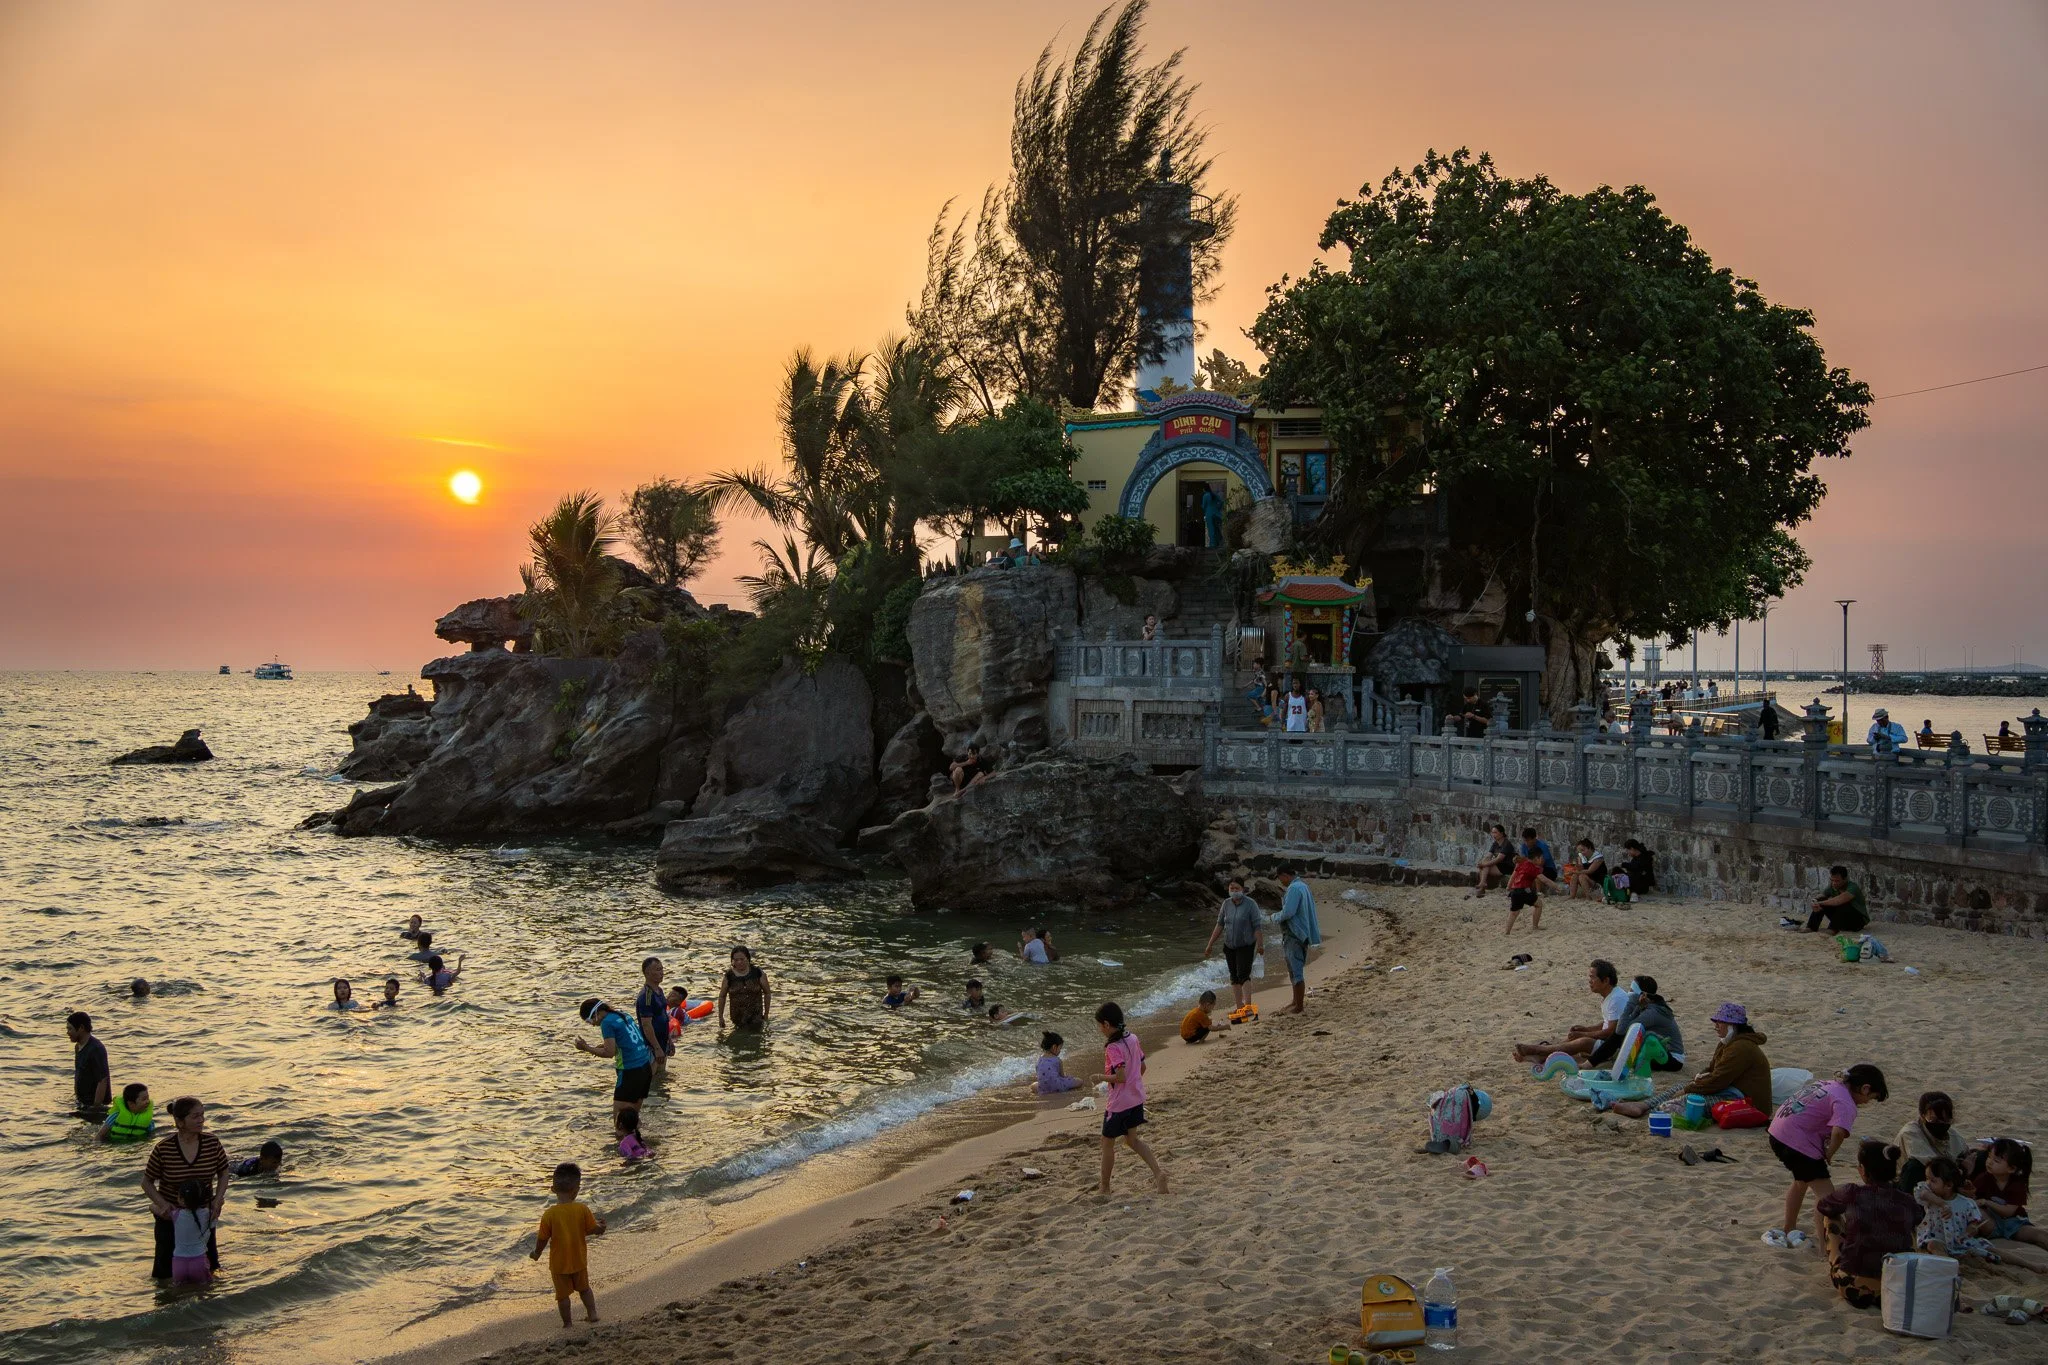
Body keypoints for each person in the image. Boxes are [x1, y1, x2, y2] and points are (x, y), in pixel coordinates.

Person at [1764, 1063, 1889, 1248]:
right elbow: (1838, 1133)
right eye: (1870, 1098)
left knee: (1801, 1182)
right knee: (1828, 1198)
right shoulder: (1846, 1103)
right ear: (1865, 1089)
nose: (1866, 1103)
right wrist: (1829, 1154)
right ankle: (1825, 1247)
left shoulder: (1829, 1084)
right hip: (1797, 1142)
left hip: (1777, 1132)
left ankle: (1789, 1228)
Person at [1611, 1001, 1772, 1119]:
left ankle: (1652, 1112)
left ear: (1732, 1025)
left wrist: (1691, 1089)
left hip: (1748, 1103)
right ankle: (1643, 1106)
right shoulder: (1729, 1043)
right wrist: (1695, 1082)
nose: (1716, 1026)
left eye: (1720, 1022)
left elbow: (1718, 1079)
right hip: (1732, 1091)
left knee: (1689, 1099)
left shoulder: (1741, 1048)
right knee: (1681, 1086)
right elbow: (1712, 1069)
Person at [1814, 1141, 1920, 1308]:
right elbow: (1919, 1217)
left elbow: (1823, 1206)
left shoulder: (1852, 1192)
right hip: (1896, 1288)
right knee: (1909, 1227)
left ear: (1863, 1170)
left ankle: (1830, 1256)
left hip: (1853, 1285)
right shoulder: (1907, 1200)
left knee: (1830, 1217)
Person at [143, 1096, 229, 1279]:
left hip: (203, 1217)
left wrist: (217, 1200)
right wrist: (163, 1205)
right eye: (195, 1116)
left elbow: (223, 1173)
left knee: (210, 1268)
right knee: (164, 1273)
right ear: (180, 1121)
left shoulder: (212, 1143)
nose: (201, 1120)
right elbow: (147, 1183)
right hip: (170, 1219)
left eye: (202, 1115)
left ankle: (208, 1305)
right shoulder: (163, 1148)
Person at [1093, 1002, 1167, 1194]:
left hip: (1119, 1103)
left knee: (1107, 1143)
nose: (1100, 1029)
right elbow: (1142, 1067)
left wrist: (1101, 1077)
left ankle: (1105, 1187)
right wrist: (1133, 1083)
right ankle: (1158, 1173)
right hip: (1136, 1098)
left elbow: (1120, 1077)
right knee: (1132, 1140)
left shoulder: (1113, 1047)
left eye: (1100, 1025)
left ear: (1107, 1024)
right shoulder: (1132, 1038)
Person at [531, 1161, 605, 1328]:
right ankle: (592, 1314)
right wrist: (601, 1227)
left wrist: (536, 1253)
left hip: (559, 1265)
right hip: (578, 1260)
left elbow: (542, 1239)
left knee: (563, 1296)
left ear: (553, 1189)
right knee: (584, 1289)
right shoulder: (582, 1209)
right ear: (576, 1190)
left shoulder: (549, 1215)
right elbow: (592, 1229)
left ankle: (568, 1323)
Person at [1510, 960, 1627, 1063]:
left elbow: (1611, 1031)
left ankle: (1538, 1050)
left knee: (1583, 1042)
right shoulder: (1611, 995)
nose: (1589, 981)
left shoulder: (1616, 999)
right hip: (1609, 1041)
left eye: (1593, 977)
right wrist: (1586, 1029)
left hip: (1614, 1047)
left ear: (1606, 980)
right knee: (1575, 1038)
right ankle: (1543, 1057)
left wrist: (1584, 1034)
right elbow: (1607, 1023)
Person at [574, 998, 653, 1120]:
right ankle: (638, 1138)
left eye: (590, 1021)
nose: (593, 1024)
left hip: (630, 1071)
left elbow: (609, 1052)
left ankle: (621, 1139)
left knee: (619, 1120)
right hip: (645, 1068)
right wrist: (598, 1047)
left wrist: (586, 1048)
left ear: (596, 1013)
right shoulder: (622, 1015)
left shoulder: (607, 1023)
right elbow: (625, 1042)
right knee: (632, 1118)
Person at [1591, 975, 1683, 1070]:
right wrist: (1638, 1007)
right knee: (1620, 1042)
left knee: (1619, 1038)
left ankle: (1591, 1062)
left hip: (1672, 1059)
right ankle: (1593, 1060)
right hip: (1662, 1051)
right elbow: (1627, 1026)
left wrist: (1630, 1004)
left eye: (1631, 991)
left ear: (1642, 995)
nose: (1629, 993)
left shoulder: (1652, 1013)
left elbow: (1622, 1030)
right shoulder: (1648, 1005)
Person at [1914, 1157, 1998, 1260]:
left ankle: (2022, 1262)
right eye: (1927, 1178)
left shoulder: (1967, 1203)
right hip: (1937, 1238)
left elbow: (1974, 1222)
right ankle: (1950, 1264)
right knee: (1932, 1245)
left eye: (1933, 1180)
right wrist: (1943, 1204)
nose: (1928, 1183)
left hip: (1960, 1241)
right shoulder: (1932, 1198)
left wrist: (1972, 1229)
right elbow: (1922, 1193)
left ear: (1949, 1185)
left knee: (1990, 1249)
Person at [1202, 879, 1265, 1012]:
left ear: (1243, 889)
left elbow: (1257, 926)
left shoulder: (1250, 904)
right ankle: (1239, 1007)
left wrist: (1260, 945)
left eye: (1237, 888)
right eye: (1232, 889)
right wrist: (1210, 944)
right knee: (1234, 976)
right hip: (1229, 945)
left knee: (1243, 975)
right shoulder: (1226, 904)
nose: (1234, 891)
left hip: (1246, 945)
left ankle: (1247, 1007)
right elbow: (1220, 924)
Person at [1969, 1137, 2043, 1247]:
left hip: (2014, 1223)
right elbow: (1971, 1198)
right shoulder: (1984, 1178)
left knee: (2040, 1235)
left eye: (1996, 1161)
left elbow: (2008, 1211)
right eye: (1989, 1157)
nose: (1989, 1162)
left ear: (2011, 1169)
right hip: (1991, 1222)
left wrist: (1986, 1202)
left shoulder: (2017, 1184)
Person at [1894, 1091, 1968, 1192]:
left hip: (1944, 1181)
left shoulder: (1952, 1135)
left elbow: (1964, 1151)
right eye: (1934, 1120)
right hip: (1911, 1183)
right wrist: (1963, 1169)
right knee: (1914, 1167)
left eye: (1945, 1120)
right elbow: (1932, 1164)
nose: (1941, 1124)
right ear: (1922, 1115)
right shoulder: (1910, 1132)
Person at [1272, 866, 1321, 1014]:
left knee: (1296, 971)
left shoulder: (1294, 889)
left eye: (1280, 878)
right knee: (1294, 970)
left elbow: (1288, 912)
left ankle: (1298, 1006)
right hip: (1302, 933)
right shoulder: (1303, 886)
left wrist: (1274, 917)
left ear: (1285, 875)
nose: (1280, 881)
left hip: (1295, 934)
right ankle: (1295, 1001)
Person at [170, 1180, 218, 1287]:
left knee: (178, 1293)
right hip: (199, 1261)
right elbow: (213, 1222)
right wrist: (219, 1203)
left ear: (182, 1200)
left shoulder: (175, 1214)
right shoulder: (208, 1214)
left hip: (178, 1263)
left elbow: (157, 1209)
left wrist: (152, 1207)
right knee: (204, 1291)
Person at [1804, 866, 1870, 935]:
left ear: (1845, 879)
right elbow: (1822, 896)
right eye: (1832, 880)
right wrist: (1814, 901)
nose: (1834, 883)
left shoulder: (1853, 888)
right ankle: (1811, 927)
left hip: (1856, 921)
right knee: (1822, 901)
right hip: (1842, 919)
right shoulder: (1833, 887)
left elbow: (1838, 901)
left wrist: (1819, 903)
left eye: (1837, 881)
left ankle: (1832, 929)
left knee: (1843, 904)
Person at [635, 957, 672, 1075]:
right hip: (651, 1046)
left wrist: (669, 1040)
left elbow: (663, 1017)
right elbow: (646, 1025)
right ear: (647, 973)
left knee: (661, 1077)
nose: (661, 972)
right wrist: (656, 1048)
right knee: (651, 1080)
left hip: (662, 1041)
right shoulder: (646, 996)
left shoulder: (659, 991)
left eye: (662, 969)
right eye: (657, 970)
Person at [718, 946, 770, 1030]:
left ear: (748, 959)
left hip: (756, 1017)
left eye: (742, 959)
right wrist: (721, 1017)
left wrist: (766, 1014)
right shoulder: (729, 976)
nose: (739, 962)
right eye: (736, 960)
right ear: (732, 961)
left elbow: (767, 993)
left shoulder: (758, 973)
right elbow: (722, 996)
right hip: (737, 1018)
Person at [69, 1011, 110, 1112]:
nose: (67, 1032)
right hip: (82, 1102)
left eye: (70, 1028)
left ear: (81, 1028)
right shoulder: (78, 1047)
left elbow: (102, 1080)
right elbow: (78, 1073)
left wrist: (96, 1107)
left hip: (94, 1105)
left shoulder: (96, 1048)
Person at [1466, 823, 1516, 898]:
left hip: (1508, 866)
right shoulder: (1495, 843)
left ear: (1502, 833)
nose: (1493, 834)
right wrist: (1481, 862)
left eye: (1495, 832)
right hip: (1499, 865)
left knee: (1485, 866)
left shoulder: (1506, 844)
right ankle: (1482, 886)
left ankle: (1482, 886)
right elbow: (1488, 855)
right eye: (1492, 832)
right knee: (1485, 862)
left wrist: (1484, 864)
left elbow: (1499, 859)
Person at [1503, 853, 1543, 935]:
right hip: (1525, 890)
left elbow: (1513, 876)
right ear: (1536, 858)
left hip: (1514, 891)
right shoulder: (1532, 867)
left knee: (1513, 912)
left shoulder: (1520, 864)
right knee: (1539, 904)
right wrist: (1555, 886)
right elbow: (1544, 879)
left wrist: (1508, 886)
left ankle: (1507, 932)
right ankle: (1535, 926)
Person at [1519, 827, 1562, 893]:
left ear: (1534, 839)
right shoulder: (1524, 846)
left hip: (1547, 869)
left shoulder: (1542, 846)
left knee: (1538, 878)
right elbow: (1523, 861)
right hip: (1534, 868)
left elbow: (1541, 863)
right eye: (1525, 840)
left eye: (1528, 840)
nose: (1526, 843)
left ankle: (1538, 892)